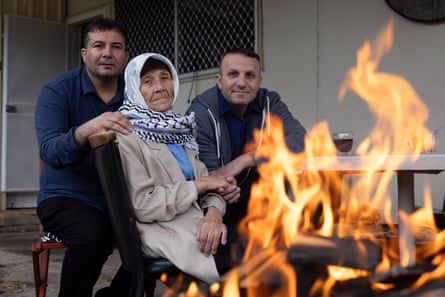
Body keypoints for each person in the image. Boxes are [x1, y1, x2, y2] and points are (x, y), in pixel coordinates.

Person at [117, 52, 240, 284]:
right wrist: (199, 185)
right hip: (167, 232)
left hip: (199, 225)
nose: (160, 87)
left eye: (165, 78)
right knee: (262, 262)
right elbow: (143, 205)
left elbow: (211, 189)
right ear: (134, 89)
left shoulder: (180, 131)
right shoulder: (126, 137)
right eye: (148, 81)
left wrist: (213, 215)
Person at [34, 18, 133, 297]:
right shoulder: (57, 91)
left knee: (160, 239)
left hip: (123, 196)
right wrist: (86, 130)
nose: (107, 53)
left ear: (126, 56)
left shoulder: (137, 93)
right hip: (66, 196)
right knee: (93, 239)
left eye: (116, 47)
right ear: (84, 53)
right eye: (98, 45)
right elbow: (50, 151)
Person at [185, 48, 307, 274]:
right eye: (233, 74)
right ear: (219, 81)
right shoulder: (201, 112)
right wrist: (223, 184)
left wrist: (249, 158)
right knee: (249, 254)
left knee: (304, 242)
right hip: (216, 206)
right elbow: (206, 175)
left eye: (249, 76)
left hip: (261, 203)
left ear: (259, 80)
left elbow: (299, 142)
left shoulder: (270, 102)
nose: (242, 82)